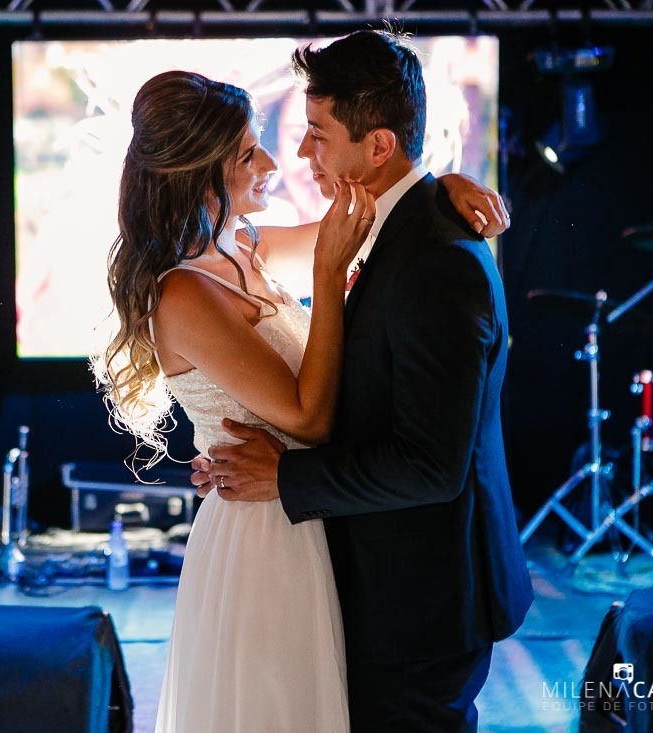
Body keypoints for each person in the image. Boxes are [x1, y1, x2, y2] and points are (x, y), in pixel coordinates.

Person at [95, 69, 509, 733]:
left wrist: (443, 188)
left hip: (305, 515)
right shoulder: (184, 294)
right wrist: (325, 273)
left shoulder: (245, 248)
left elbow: (378, 220)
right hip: (263, 538)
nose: (270, 164)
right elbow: (309, 419)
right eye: (245, 155)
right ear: (198, 175)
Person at [193, 30, 533, 733]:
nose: (300, 153)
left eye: (318, 134)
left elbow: (431, 467)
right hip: (375, 583)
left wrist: (285, 477)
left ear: (378, 146)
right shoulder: (386, 224)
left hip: (421, 600)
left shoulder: (437, 261)